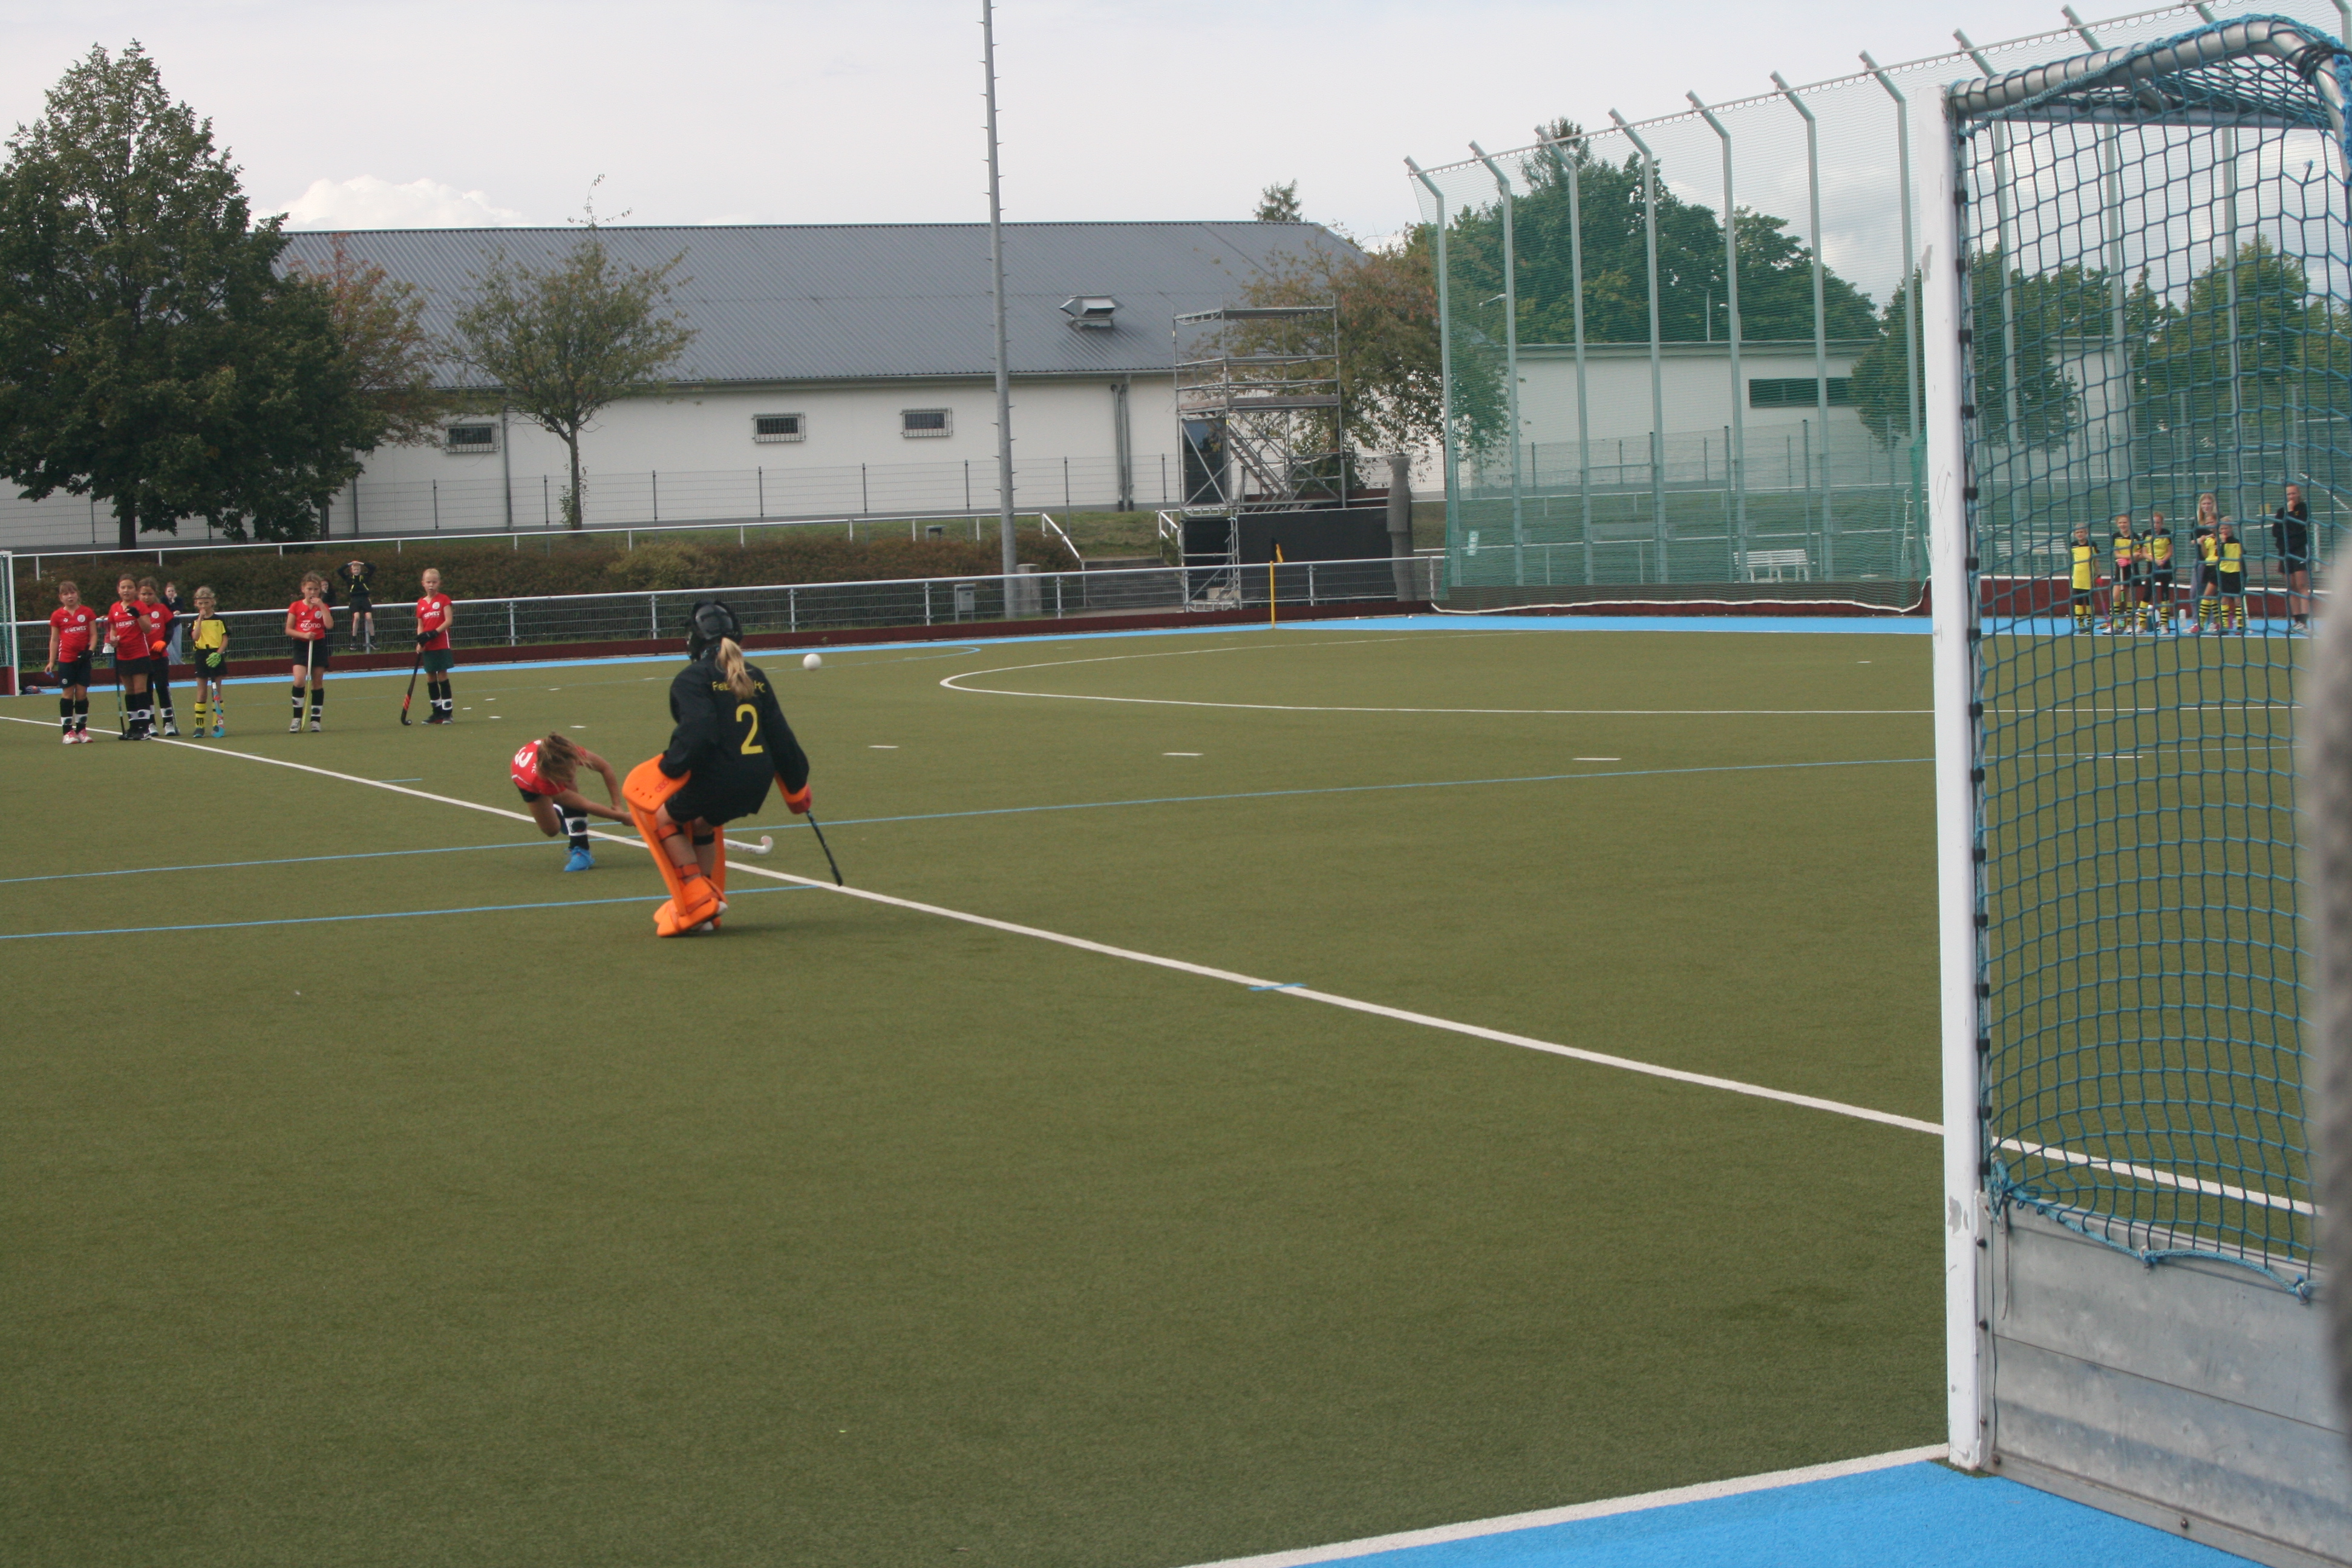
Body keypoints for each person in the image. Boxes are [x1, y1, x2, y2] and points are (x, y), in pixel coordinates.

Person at [630, 600, 811, 936]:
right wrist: (797, 782)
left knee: (664, 820)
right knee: (702, 823)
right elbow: (781, 736)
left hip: (721, 776)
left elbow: (698, 733)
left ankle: (698, 895)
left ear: (695, 639)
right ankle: (710, 901)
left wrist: (672, 767)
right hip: (757, 780)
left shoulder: (692, 678)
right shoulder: (753, 674)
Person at [511, 734, 629, 871]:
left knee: (570, 790)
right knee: (551, 830)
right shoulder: (540, 781)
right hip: (527, 783)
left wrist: (617, 805)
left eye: (571, 769)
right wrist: (622, 817)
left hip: (545, 765)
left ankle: (581, 850)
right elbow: (586, 805)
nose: (571, 776)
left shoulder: (568, 752)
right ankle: (560, 808)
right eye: (564, 774)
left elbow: (605, 768)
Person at [44, 580, 96, 743]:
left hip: (83, 661)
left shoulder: (87, 612)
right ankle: (68, 732)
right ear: (61, 598)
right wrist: (51, 662)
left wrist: (90, 651)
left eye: (72, 592)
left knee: (82, 694)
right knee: (68, 693)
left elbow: (94, 635)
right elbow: (54, 639)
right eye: (66, 594)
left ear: (77, 594)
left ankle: (82, 730)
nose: (70, 596)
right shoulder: (57, 615)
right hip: (66, 660)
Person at [104, 573, 152, 739]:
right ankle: (133, 727)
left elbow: (148, 629)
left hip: (139, 654)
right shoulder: (114, 608)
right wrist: (113, 640)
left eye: (130, 587)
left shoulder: (140, 606)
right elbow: (113, 629)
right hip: (123, 655)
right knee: (129, 692)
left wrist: (137, 615)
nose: (126, 590)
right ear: (118, 590)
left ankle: (144, 728)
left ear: (136, 590)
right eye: (123, 587)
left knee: (140, 690)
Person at [286, 572, 333, 731]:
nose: (312, 592)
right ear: (303, 589)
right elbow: (289, 630)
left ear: (320, 590)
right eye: (309, 589)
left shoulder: (323, 606)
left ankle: (315, 720)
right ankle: (297, 718)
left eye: (315, 589)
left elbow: (329, 625)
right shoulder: (296, 606)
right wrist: (304, 635)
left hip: (318, 645)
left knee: (317, 682)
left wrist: (321, 606)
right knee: (299, 680)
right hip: (301, 645)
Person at [137, 578, 180, 736]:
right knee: (146, 691)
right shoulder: (135, 610)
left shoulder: (161, 609)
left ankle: (168, 723)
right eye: (143, 594)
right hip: (142, 657)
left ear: (155, 594)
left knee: (162, 688)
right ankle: (151, 723)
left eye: (150, 594)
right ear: (138, 594)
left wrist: (164, 642)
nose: (147, 597)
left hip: (160, 656)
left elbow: (169, 629)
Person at [415, 568, 457, 723]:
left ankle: (448, 712)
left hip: (441, 643)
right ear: (423, 584)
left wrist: (434, 633)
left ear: (439, 583)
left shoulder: (444, 599)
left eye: (434, 582)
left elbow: (448, 620)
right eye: (428, 582)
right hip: (428, 645)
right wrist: (421, 641)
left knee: (442, 674)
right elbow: (420, 625)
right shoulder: (420, 603)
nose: (431, 585)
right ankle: (436, 712)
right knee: (430, 676)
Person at [190, 586, 229, 736]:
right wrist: (200, 618)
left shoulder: (219, 620)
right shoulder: (194, 621)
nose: (203, 606)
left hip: (216, 656)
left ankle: (217, 724)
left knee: (217, 692)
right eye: (200, 603)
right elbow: (195, 637)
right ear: (196, 604)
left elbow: (225, 638)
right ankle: (199, 726)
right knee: (201, 693)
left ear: (212, 602)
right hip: (201, 655)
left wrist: (218, 654)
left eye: (206, 603)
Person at [2273, 483, 2313, 633]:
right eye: (2289, 494)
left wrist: (2290, 513)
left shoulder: (2302, 509)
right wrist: (2289, 528)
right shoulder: (2281, 512)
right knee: (2291, 587)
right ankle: (2297, 622)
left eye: (2294, 494)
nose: (2291, 497)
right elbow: (2276, 532)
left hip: (2300, 551)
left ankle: (2304, 622)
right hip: (2285, 552)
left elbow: (2298, 527)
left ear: (2299, 494)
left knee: (2302, 585)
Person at [2190, 492, 2223, 631]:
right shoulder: (2196, 522)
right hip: (2201, 560)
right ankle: (2198, 621)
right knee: (2195, 591)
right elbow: (2192, 541)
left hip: (2216, 561)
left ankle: (2215, 622)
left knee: (2213, 593)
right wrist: (2201, 540)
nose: (2206, 506)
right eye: (2204, 504)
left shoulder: (2219, 519)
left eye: (2209, 503)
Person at [2105, 515, 2138, 633]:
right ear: (2117, 524)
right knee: (2116, 596)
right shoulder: (2115, 537)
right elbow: (2116, 554)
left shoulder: (2135, 537)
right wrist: (2126, 558)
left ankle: (2129, 624)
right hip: (2120, 570)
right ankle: (2114, 624)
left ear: (2129, 523)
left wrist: (2129, 560)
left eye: (2125, 522)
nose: (2123, 525)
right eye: (2120, 523)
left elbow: (2138, 555)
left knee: (2129, 597)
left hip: (2132, 570)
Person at [2144, 511, 2175, 634]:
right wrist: (2155, 560)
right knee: (2147, 593)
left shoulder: (2167, 533)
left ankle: (2164, 624)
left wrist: (2163, 560)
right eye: (2153, 522)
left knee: (2165, 594)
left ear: (2162, 523)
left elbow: (2170, 551)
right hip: (2151, 567)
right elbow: (2144, 552)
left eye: (2158, 522)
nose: (2155, 525)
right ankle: (2142, 625)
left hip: (2165, 567)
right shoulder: (2146, 534)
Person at [2214, 521, 2247, 632]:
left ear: (2231, 529)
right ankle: (2225, 626)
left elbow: (2242, 557)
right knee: (2224, 599)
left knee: (2238, 600)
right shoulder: (2219, 543)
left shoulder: (2237, 542)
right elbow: (2220, 555)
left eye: (2226, 528)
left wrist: (2244, 574)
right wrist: (2222, 542)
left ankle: (2240, 625)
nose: (2224, 531)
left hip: (2236, 573)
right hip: (2224, 573)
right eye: (2222, 528)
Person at [338, 558, 376, 653]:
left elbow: (373, 568)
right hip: (355, 600)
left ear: (360, 570)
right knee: (356, 617)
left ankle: (373, 639)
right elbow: (339, 571)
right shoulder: (349, 579)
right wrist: (350, 563)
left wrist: (361, 563)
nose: (356, 571)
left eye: (358, 569)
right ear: (352, 571)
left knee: (369, 617)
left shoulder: (364, 577)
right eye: (354, 570)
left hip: (365, 599)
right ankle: (354, 640)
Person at [2068, 524, 2099, 634]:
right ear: (2075, 535)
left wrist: (2098, 574)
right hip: (2078, 577)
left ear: (2086, 533)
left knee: (2089, 601)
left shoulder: (2092, 545)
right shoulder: (2073, 546)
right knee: (2079, 601)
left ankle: (2090, 624)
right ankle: (2081, 624)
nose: (2080, 534)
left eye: (2082, 532)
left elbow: (2095, 561)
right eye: (2077, 533)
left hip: (2089, 577)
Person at [161, 581, 186, 664]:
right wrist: (173, 612)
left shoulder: (179, 600)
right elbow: (167, 611)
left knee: (177, 645)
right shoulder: (163, 600)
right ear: (166, 593)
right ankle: (171, 663)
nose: (171, 593)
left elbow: (179, 609)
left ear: (175, 592)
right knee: (168, 646)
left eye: (172, 591)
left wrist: (173, 601)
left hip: (176, 625)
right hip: (167, 626)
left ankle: (178, 663)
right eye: (169, 591)